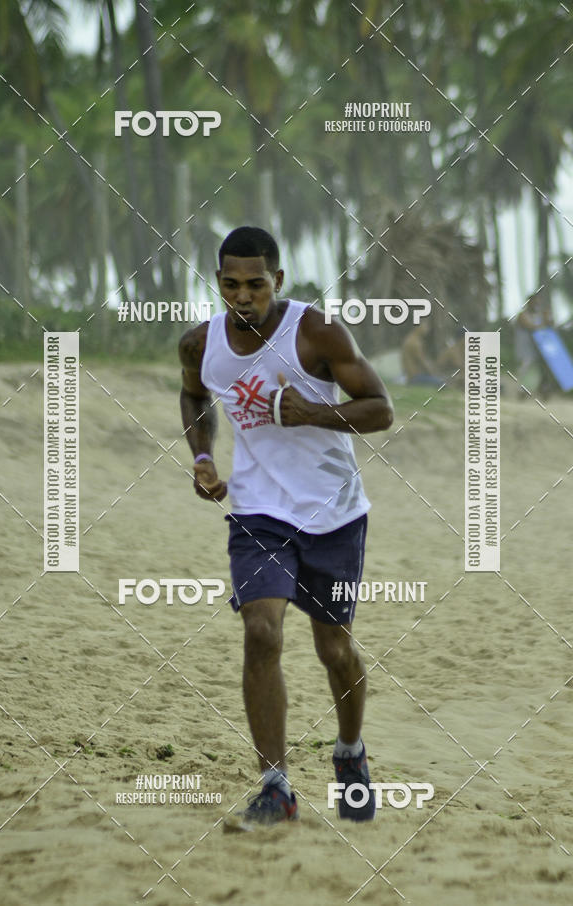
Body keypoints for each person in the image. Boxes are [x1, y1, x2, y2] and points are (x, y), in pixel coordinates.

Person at [179, 226, 393, 828]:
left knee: (334, 649)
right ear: (218, 284)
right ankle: (276, 787)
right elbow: (193, 397)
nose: (243, 297)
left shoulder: (317, 332)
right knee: (262, 632)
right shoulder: (201, 343)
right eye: (230, 285)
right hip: (257, 511)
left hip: (334, 512)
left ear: (279, 281)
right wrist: (202, 456)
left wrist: (313, 414)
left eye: (255, 284)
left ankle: (349, 753)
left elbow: (381, 408)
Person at [401, 321, 444, 386]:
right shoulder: (414, 342)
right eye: (425, 326)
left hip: (416, 376)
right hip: (415, 378)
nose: (427, 329)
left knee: (443, 379)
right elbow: (423, 363)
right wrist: (435, 374)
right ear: (418, 327)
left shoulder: (413, 339)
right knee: (442, 382)